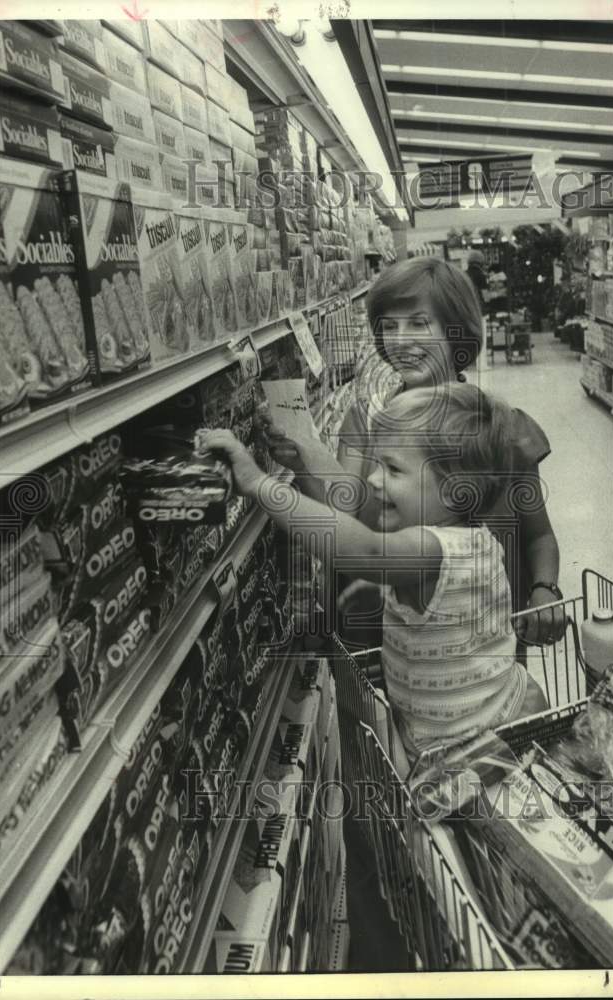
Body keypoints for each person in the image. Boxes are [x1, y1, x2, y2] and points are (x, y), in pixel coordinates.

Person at [200, 384, 549, 770]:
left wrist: (261, 485)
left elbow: (362, 549)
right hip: (498, 705)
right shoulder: (472, 538)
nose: (376, 480)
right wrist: (305, 462)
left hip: (473, 753)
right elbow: (357, 506)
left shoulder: (433, 551)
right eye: (378, 463)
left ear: (454, 493)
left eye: (394, 469)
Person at [262, 256, 565, 648]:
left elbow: (539, 536)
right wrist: (301, 462)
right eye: (389, 326)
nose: (400, 341)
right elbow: (342, 514)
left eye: (419, 324)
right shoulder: (364, 418)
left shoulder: (502, 429)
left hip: (483, 653)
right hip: (385, 642)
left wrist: (545, 589)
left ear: (456, 331)